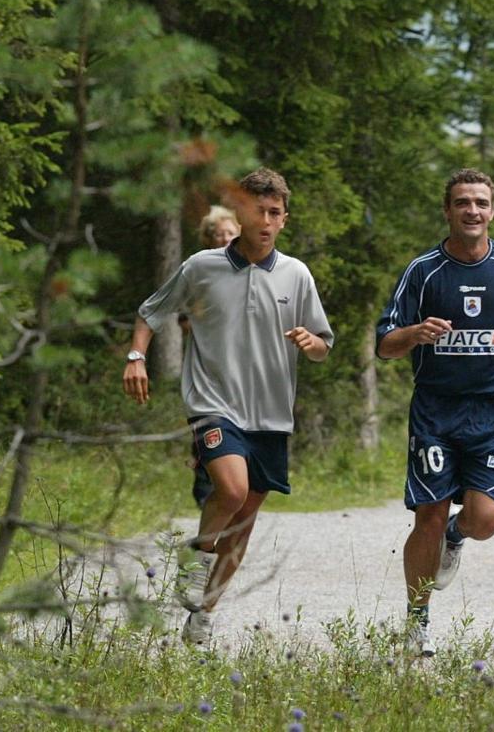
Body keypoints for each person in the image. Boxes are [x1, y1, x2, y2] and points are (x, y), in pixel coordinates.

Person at [122, 168, 333, 648]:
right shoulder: (202, 266)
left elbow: (323, 344)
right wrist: (136, 357)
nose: (265, 219)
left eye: (274, 212)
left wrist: (309, 341)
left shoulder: (296, 274)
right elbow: (150, 313)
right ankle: (198, 555)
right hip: (214, 404)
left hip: (272, 415)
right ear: (238, 214)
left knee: (243, 523)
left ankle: (203, 616)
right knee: (231, 490)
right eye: (256, 210)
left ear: (284, 219)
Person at [375, 169, 494, 657]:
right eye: (463, 202)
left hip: (491, 415)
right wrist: (415, 334)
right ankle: (417, 621)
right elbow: (384, 345)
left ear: (493, 211)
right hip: (436, 412)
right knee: (429, 511)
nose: (473, 211)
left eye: (481, 203)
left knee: (486, 518)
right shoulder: (422, 271)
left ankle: (456, 535)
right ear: (447, 211)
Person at [186, 205, 242, 510]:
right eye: (218, 235)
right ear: (209, 239)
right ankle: (207, 502)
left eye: (230, 234)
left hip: (245, 383)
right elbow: (183, 318)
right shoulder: (197, 271)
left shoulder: (254, 270)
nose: (224, 239)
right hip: (208, 379)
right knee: (208, 446)